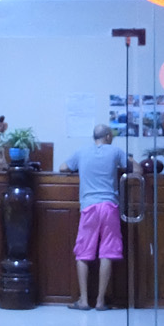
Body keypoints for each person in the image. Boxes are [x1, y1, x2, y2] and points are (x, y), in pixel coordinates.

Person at [61, 124, 127, 310]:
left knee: (83, 253)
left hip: (89, 207)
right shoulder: (116, 151)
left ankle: (83, 300)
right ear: (108, 136)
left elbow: (63, 167)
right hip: (109, 206)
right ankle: (100, 301)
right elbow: (136, 169)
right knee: (107, 252)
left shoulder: (82, 151)